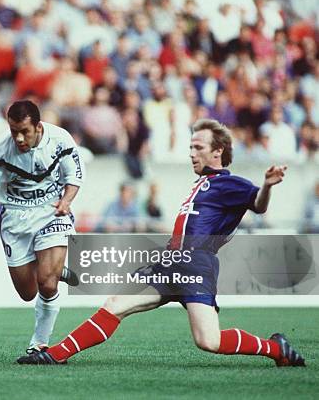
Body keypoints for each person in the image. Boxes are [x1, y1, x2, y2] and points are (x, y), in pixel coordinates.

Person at [17, 118, 305, 367]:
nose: (191, 153)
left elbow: (258, 204)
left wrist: (266, 185)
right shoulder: (200, 184)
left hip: (196, 265)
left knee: (209, 341)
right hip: (171, 261)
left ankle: (276, 348)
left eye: (198, 148)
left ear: (218, 152)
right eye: (191, 147)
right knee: (116, 303)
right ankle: (54, 354)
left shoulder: (229, 183)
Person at [0, 100, 84, 355]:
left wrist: (66, 201)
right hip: (15, 218)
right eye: (13, 131)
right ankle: (56, 270)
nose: (18, 138)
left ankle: (38, 344)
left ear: (38, 127)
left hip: (52, 212)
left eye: (24, 132)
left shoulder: (60, 140)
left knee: (47, 285)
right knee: (28, 292)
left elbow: (74, 176)